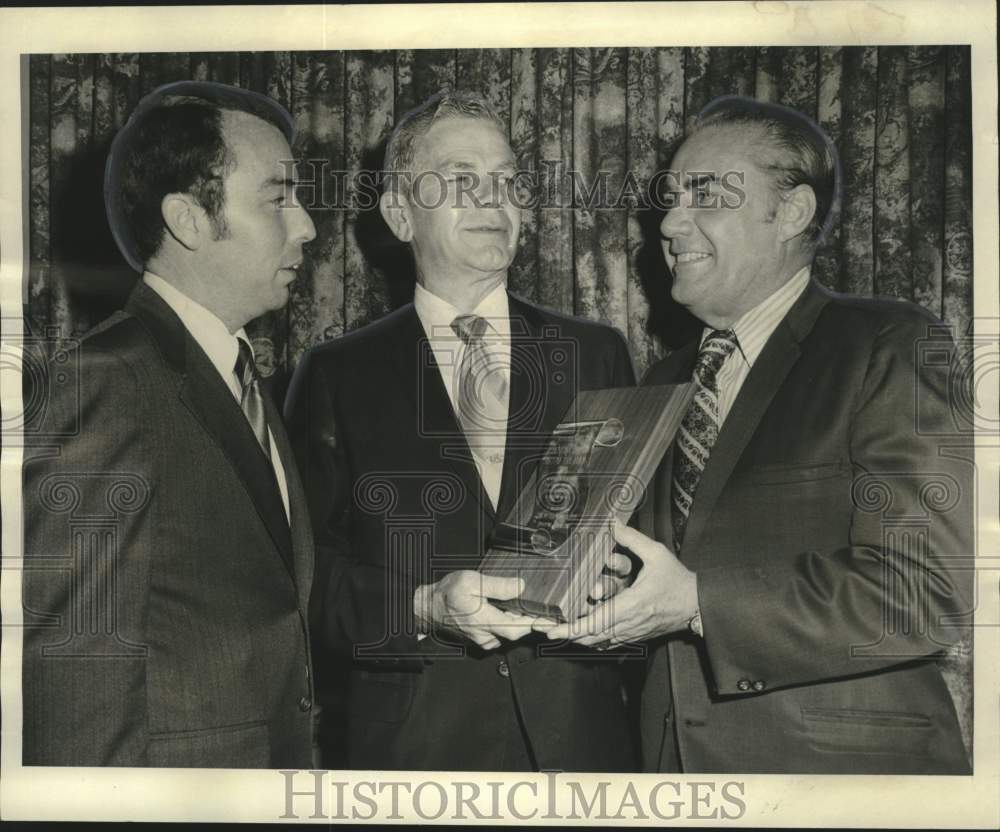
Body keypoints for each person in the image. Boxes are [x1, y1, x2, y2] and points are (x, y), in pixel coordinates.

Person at [540, 95, 973, 774]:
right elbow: (666, 572)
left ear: (792, 213)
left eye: (706, 194)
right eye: (671, 197)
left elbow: (925, 591)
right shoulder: (663, 379)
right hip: (670, 774)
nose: (672, 222)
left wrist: (694, 602)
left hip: (840, 782)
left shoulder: (891, 343)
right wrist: (610, 587)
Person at [284, 90, 638, 771]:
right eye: (461, 179)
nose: (493, 200)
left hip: (582, 748)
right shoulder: (336, 374)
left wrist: (623, 575)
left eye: (507, 181)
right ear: (397, 213)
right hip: (415, 753)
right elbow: (306, 583)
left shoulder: (597, 353)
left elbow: (643, 538)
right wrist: (421, 607)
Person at [22, 81, 318, 767]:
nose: (305, 225)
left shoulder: (235, 372)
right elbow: (74, 685)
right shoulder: (99, 386)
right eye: (278, 198)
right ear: (188, 220)